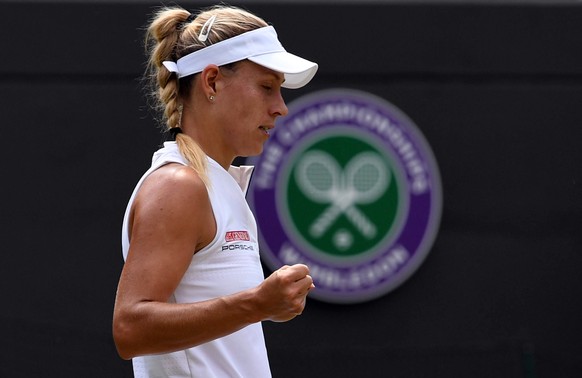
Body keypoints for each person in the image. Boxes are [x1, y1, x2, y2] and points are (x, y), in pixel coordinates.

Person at [112, 4, 318, 378]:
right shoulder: (179, 185)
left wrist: (255, 306)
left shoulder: (215, 184)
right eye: (267, 87)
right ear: (211, 82)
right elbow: (130, 329)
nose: (281, 108)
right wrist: (256, 304)